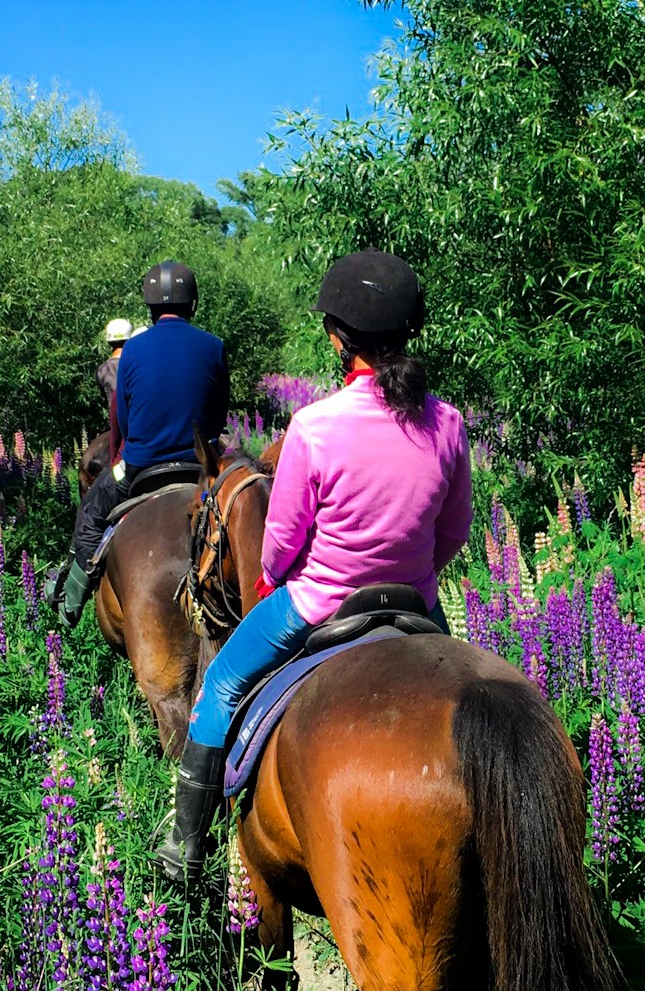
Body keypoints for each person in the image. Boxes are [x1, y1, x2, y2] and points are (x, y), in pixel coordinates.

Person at [159, 251, 473, 883]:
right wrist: (415, 571)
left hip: (319, 604)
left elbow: (280, 542)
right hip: (415, 603)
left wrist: (276, 576)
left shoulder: (314, 425)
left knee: (219, 684)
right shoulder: (449, 422)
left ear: (337, 338)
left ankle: (187, 846)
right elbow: (455, 531)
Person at [56, 262, 231, 627]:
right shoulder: (214, 347)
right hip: (201, 465)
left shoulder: (131, 351)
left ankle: (70, 601)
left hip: (140, 464)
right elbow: (218, 416)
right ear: (192, 303)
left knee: (91, 511)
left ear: (149, 307)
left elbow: (123, 418)